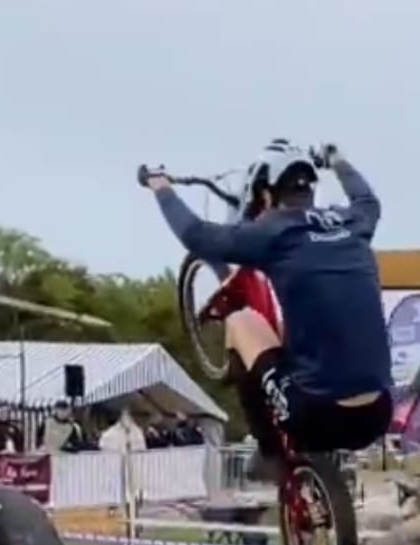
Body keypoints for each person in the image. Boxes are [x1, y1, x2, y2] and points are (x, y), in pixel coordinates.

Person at [139, 140, 392, 481]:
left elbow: (195, 234)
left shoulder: (273, 231)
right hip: (379, 414)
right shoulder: (354, 222)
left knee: (240, 320)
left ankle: (270, 450)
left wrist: (160, 186)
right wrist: (338, 162)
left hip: (316, 416)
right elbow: (367, 199)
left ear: (267, 196)